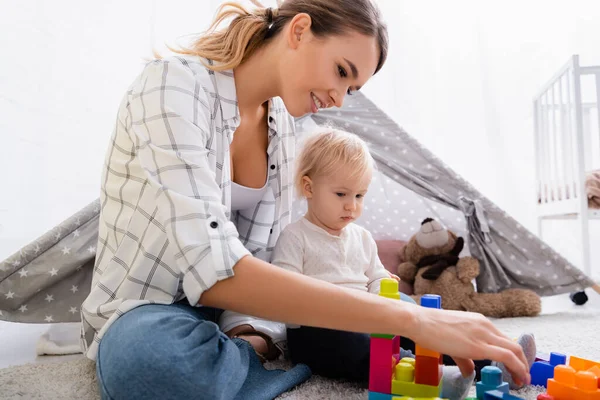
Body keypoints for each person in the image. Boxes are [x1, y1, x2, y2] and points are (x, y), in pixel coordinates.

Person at [80, 1, 531, 399]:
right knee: (151, 365)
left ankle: (492, 355)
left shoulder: (282, 131)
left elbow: (257, 257)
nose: (338, 98)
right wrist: (409, 320)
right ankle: (248, 360)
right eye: (341, 71)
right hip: (150, 309)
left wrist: (248, 329)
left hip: (231, 308)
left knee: (358, 314)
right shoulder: (172, 87)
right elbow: (216, 270)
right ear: (299, 31)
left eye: (351, 89)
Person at [271, 129, 537, 398]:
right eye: (341, 194)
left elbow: (376, 277)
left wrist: (385, 299)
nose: (352, 206)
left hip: (365, 317)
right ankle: (424, 373)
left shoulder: (362, 237)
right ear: (309, 187)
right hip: (318, 330)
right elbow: (283, 294)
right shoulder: (295, 236)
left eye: (360, 196)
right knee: (358, 346)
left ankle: (490, 363)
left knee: (415, 317)